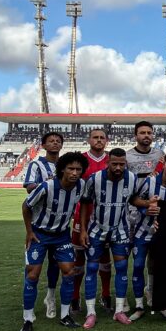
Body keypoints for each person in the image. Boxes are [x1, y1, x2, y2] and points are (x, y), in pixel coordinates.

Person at [79, 148, 156, 328]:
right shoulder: (95, 179)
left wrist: (147, 203)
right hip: (97, 229)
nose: (118, 167)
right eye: (115, 164)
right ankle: (91, 313)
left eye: (122, 164)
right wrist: (82, 230)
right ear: (108, 162)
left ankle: (119, 310)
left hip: (120, 230)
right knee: (91, 268)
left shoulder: (131, 178)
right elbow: (84, 203)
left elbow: (134, 199)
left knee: (121, 268)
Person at [18, 152, 89, 331]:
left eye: (78, 169)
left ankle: (65, 316)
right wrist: (29, 231)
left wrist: (81, 229)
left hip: (62, 236)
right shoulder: (47, 186)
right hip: (40, 235)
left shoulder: (81, 185)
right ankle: (27, 319)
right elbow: (26, 206)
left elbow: (84, 204)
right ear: (62, 169)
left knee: (69, 272)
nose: (74, 173)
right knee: (32, 275)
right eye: (71, 169)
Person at [131, 152, 166, 321]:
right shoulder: (150, 181)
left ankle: (156, 299)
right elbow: (134, 199)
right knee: (138, 265)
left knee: (158, 266)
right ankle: (139, 306)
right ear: (164, 165)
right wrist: (146, 209)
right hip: (142, 230)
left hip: (162, 233)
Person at [70, 128, 112, 315]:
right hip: (81, 216)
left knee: (104, 258)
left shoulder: (111, 160)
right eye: (95, 137)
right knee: (78, 259)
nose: (99, 140)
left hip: (105, 217)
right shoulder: (80, 160)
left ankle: (105, 294)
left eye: (102, 138)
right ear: (89, 140)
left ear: (107, 141)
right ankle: (74, 297)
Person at [22, 131, 63, 319]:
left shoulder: (65, 166)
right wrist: (47, 184)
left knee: (56, 265)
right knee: (33, 270)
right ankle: (28, 313)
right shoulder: (36, 164)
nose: (55, 144)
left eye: (58, 141)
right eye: (51, 141)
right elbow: (29, 186)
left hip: (59, 225)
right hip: (39, 223)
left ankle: (50, 297)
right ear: (44, 146)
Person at [125, 122, 164, 313]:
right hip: (130, 212)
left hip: (151, 212)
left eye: (149, 132)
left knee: (152, 256)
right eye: (142, 133)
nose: (146, 135)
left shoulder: (159, 155)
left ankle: (150, 289)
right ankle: (124, 296)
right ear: (136, 135)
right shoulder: (127, 156)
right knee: (126, 255)